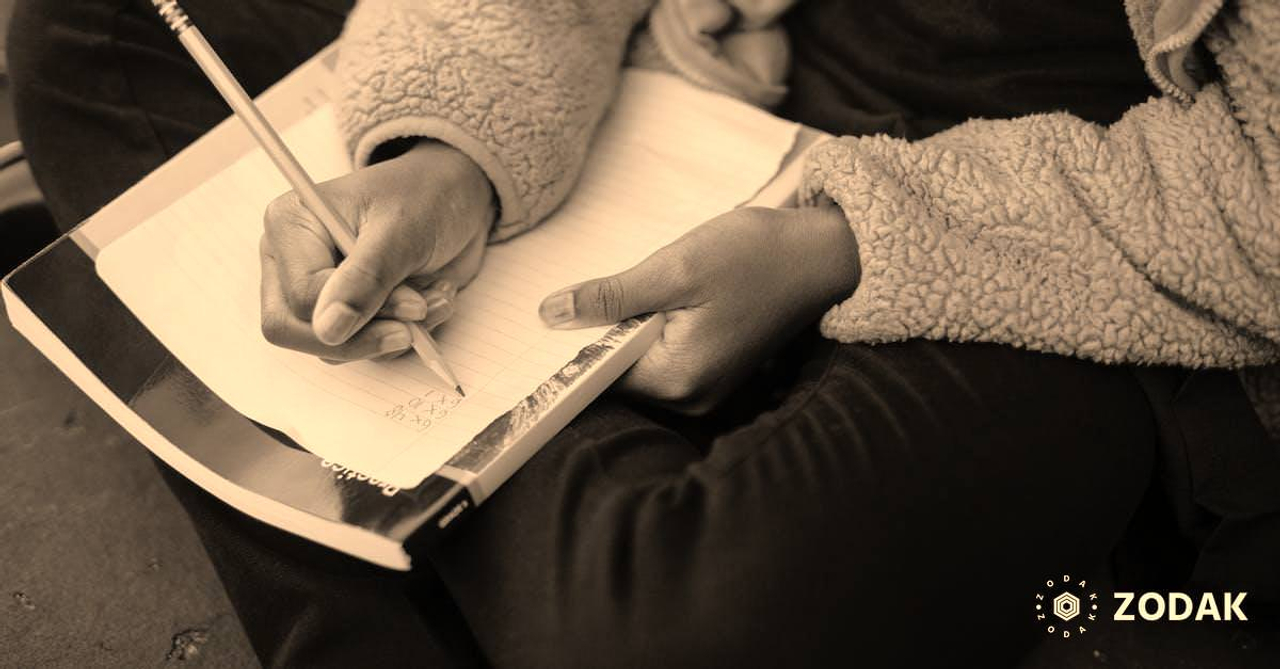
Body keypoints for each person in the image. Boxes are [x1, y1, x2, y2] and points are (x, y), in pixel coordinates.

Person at [8, 0, 1279, 666]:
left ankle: (426, 495)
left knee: (684, 630)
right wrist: (444, 149)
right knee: (96, 22)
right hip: (714, 64)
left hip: (1089, 214)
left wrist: (848, 245)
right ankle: (486, 500)